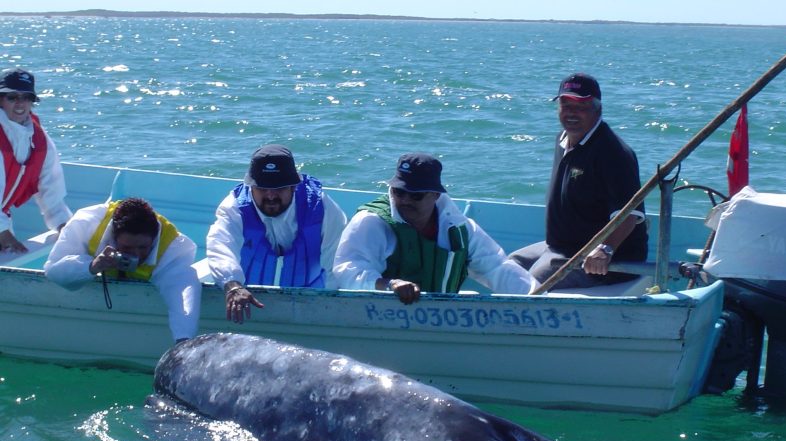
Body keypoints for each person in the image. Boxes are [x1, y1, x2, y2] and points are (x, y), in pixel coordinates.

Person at [333, 152, 536, 304]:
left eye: (416, 195)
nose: (404, 200)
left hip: (437, 321)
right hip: (378, 321)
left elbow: (496, 267)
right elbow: (348, 272)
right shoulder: (371, 222)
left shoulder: (461, 229)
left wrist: (536, 298)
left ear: (435, 195)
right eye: (398, 192)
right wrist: (389, 285)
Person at [510, 72, 648, 290]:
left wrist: (605, 250)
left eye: (581, 107)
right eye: (566, 105)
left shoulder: (614, 153)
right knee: (508, 267)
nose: (572, 113)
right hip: (560, 247)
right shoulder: (562, 139)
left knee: (531, 284)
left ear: (598, 109)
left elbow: (629, 215)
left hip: (602, 260)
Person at [207, 144, 348, 323]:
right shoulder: (233, 208)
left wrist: (323, 309)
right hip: (247, 302)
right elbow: (219, 246)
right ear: (250, 187)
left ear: (294, 187)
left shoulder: (323, 209)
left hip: (310, 303)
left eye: (279, 188)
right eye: (263, 189)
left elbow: (337, 262)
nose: (271, 196)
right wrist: (233, 285)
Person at [44, 197, 200, 343]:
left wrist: (183, 340)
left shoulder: (174, 247)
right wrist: (91, 266)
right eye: (127, 247)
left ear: (153, 240)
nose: (136, 255)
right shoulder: (85, 223)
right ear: (114, 236)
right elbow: (52, 270)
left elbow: (182, 293)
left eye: (143, 247)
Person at [0, 67, 72, 253]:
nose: (20, 103)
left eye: (26, 97)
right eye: (12, 97)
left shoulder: (39, 139)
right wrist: (3, 232)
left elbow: (51, 189)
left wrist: (63, 225)